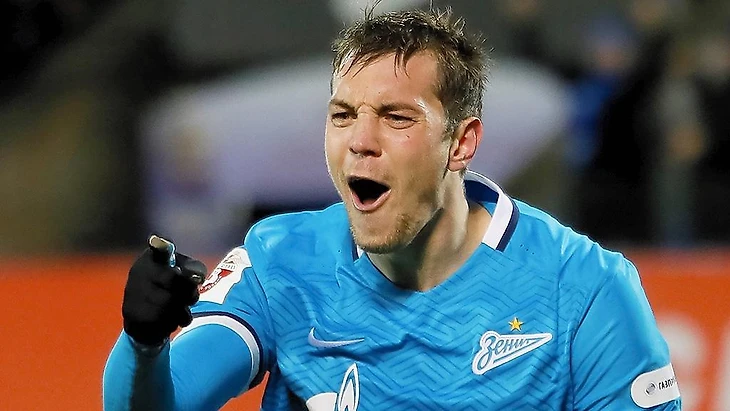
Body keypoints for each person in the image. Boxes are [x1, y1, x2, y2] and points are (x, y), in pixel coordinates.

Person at [103, 7, 681, 410]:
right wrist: (144, 342)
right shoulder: (280, 264)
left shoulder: (584, 289)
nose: (361, 141)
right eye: (342, 115)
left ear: (461, 143)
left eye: (396, 117)